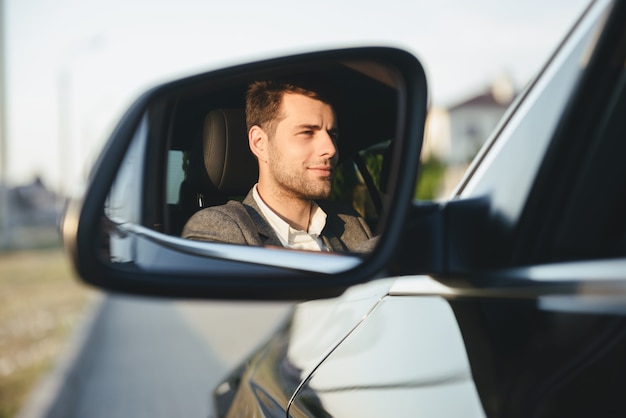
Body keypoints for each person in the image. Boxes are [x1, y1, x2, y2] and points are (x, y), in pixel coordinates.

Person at [181, 79, 373, 252]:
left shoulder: (351, 223)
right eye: (307, 132)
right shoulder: (217, 227)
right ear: (260, 143)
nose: (331, 149)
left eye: (332, 135)